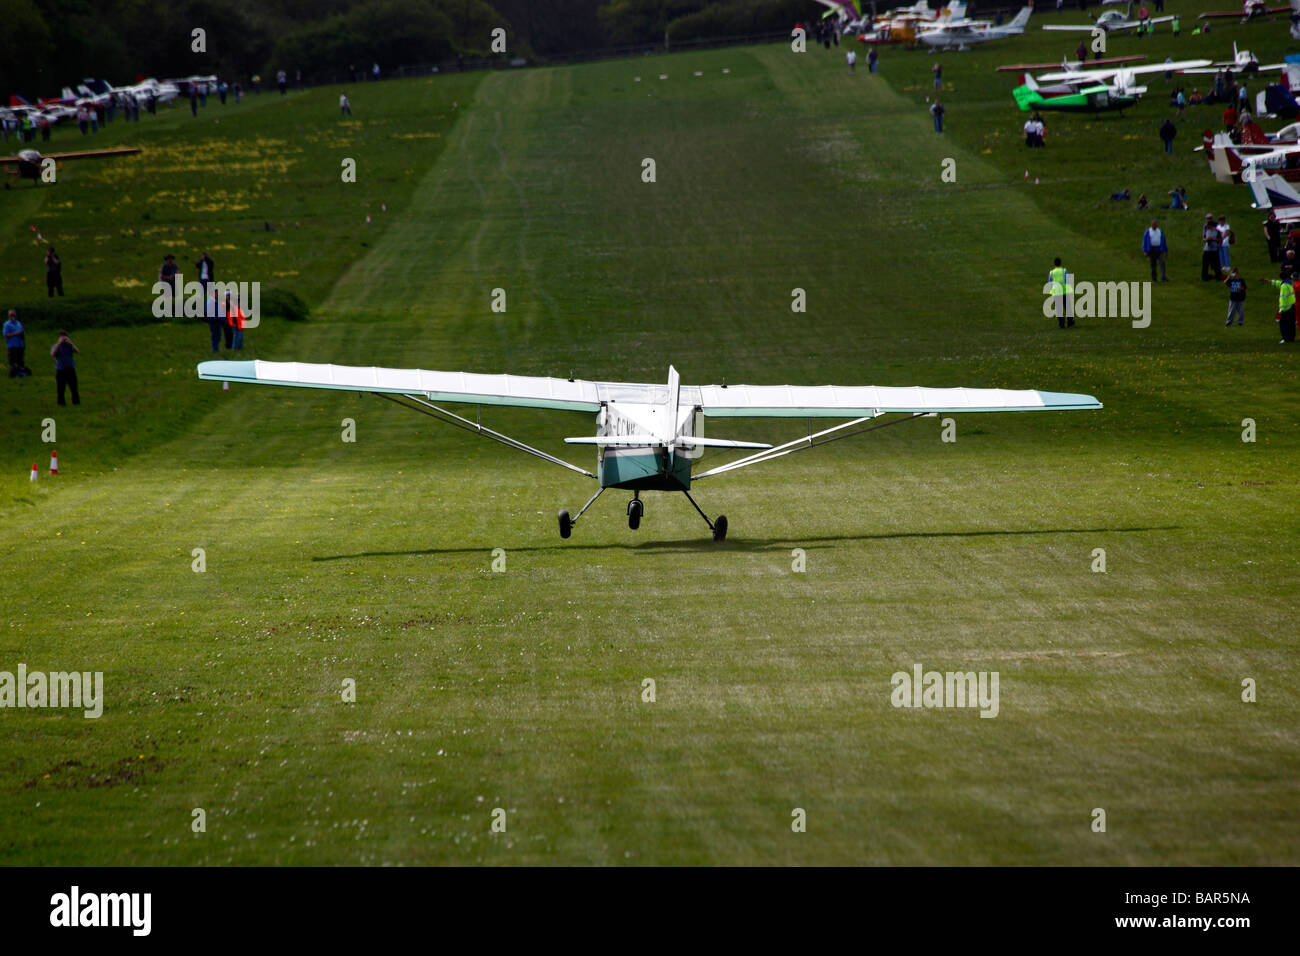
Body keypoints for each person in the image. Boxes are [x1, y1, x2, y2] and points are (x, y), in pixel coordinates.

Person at [1264, 276, 1297, 342]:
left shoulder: (1284, 286)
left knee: (1283, 324)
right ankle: (1291, 338)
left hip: (1285, 309)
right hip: (1292, 306)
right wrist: (1270, 281)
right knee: (1291, 324)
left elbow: (1283, 299)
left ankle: (1285, 338)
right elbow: (1279, 283)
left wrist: (1280, 311)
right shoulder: (1290, 284)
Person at [51, 330, 79, 405]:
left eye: (64, 337)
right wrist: (59, 344)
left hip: (70, 369)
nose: (63, 339)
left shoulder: (69, 346)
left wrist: (71, 343)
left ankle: (76, 402)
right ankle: (61, 403)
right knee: (60, 389)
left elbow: (77, 351)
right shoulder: (55, 345)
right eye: (61, 337)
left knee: (74, 387)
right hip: (60, 370)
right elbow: (53, 354)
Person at [4, 308, 31, 378]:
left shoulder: (19, 323)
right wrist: (16, 333)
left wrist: (22, 334)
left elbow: (22, 332)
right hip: (12, 345)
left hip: (20, 344)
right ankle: (12, 374)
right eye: (11, 315)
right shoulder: (7, 324)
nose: (13, 316)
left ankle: (20, 373)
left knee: (20, 360)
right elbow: (6, 335)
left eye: (14, 315)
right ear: (9, 316)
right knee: (12, 361)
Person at [1048, 257, 1074, 328]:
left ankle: (1061, 324)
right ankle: (1070, 321)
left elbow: (1050, 282)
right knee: (1067, 307)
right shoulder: (1064, 270)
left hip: (1056, 292)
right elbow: (1068, 280)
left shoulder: (1051, 272)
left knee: (1059, 309)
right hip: (1064, 291)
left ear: (1054, 264)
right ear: (1060, 263)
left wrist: (1051, 291)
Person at [1202, 214, 1223, 280]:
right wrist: (1207, 240)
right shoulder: (1206, 228)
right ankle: (1204, 276)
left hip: (1214, 249)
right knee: (1205, 264)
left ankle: (1218, 276)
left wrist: (1213, 240)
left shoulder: (1217, 231)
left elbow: (1220, 240)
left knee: (1216, 264)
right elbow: (1204, 238)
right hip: (1207, 249)